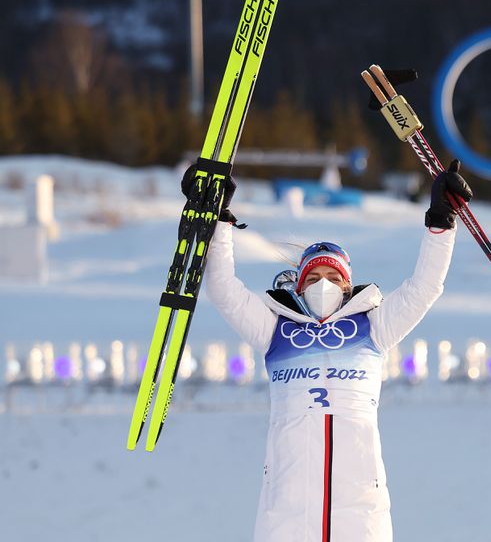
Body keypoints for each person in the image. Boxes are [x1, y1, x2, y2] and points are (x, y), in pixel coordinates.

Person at [198, 160, 472, 542]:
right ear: (298, 285)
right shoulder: (275, 329)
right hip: (287, 508)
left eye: (332, 277)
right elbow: (224, 290)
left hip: (359, 508)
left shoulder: (373, 326)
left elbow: (423, 288)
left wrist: (441, 223)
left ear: (347, 286)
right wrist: (219, 224)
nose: (322, 284)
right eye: (313, 277)